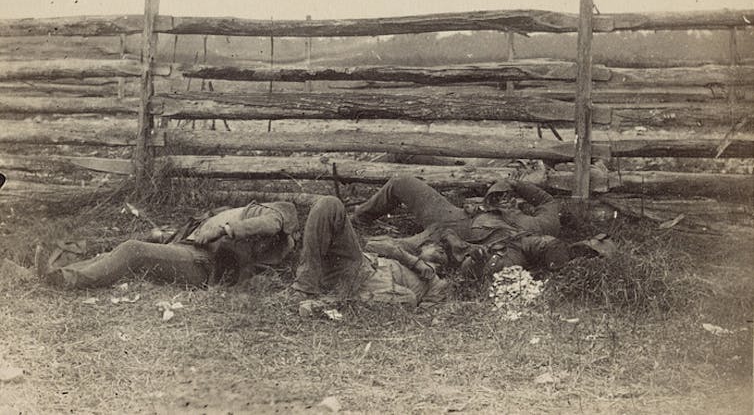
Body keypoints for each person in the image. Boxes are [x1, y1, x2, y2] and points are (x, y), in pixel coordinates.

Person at [352, 175, 613, 279]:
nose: (505, 199)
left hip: (448, 239)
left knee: (394, 247)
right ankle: (357, 220)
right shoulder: (538, 218)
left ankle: (348, 241)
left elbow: (547, 201)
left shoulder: (540, 226)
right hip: (451, 215)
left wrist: (515, 184)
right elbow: (545, 199)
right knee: (402, 182)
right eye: (500, 196)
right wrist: (509, 183)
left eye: (509, 197)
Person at [35, 201, 299, 289]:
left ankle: (67, 280)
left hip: (203, 265)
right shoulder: (243, 210)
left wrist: (224, 229)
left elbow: (272, 224)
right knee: (114, 253)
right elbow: (196, 233)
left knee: (132, 249)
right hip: (188, 251)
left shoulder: (280, 212)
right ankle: (55, 274)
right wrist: (166, 236)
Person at [291, 196, 448, 306]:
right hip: (356, 268)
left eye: (445, 253)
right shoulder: (406, 253)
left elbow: (428, 310)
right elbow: (371, 246)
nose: (441, 249)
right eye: (436, 246)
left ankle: (328, 303)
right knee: (330, 204)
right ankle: (305, 286)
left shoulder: (438, 283)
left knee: (409, 299)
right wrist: (414, 262)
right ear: (422, 247)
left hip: (377, 290)